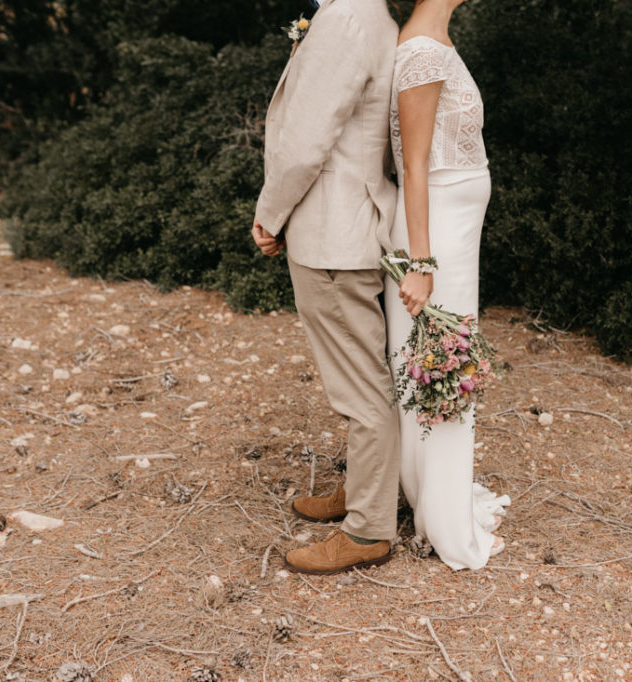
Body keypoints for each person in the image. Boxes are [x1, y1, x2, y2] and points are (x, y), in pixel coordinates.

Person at [252, 0, 401, 575]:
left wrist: (271, 214)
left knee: (362, 388)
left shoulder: (348, 17)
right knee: (359, 375)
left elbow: (306, 140)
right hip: (345, 223)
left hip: (334, 232)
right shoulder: (371, 16)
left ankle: (368, 528)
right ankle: (367, 490)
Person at [384, 0, 510, 570]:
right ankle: (442, 518)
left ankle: (436, 498)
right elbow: (413, 166)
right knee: (441, 363)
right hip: (438, 235)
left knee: (439, 363)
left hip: (454, 227)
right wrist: (422, 261)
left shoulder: (431, 41)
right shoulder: (420, 51)